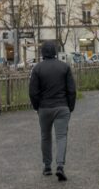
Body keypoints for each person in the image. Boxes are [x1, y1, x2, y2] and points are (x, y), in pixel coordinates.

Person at [28, 41, 76, 181]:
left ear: (42, 52)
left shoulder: (37, 69)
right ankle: (60, 165)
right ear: (55, 51)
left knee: (45, 136)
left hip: (44, 107)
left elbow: (33, 92)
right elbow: (71, 90)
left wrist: (37, 106)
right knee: (61, 136)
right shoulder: (64, 67)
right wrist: (70, 106)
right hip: (62, 106)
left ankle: (47, 166)